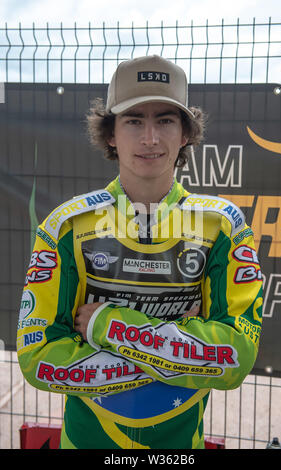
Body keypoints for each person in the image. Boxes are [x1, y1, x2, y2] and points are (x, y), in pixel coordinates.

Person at [17, 55, 263, 449]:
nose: (150, 138)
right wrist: (179, 351)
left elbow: (236, 358)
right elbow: (39, 360)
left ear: (185, 133)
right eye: (134, 120)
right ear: (110, 133)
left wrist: (108, 327)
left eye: (165, 120)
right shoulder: (66, 226)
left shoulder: (223, 226)